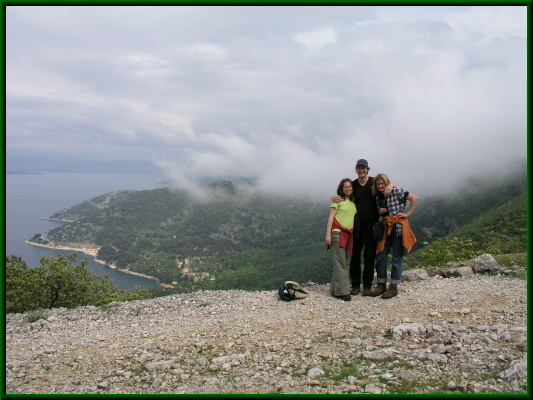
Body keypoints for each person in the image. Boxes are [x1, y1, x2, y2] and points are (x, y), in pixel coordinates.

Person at [332, 159, 395, 296]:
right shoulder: (353, 185)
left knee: (369, 255)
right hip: (358, 223)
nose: (361, 170)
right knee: (355, 255)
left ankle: (367, 286)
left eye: (363, 168)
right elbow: (344, 195)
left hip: (372, 223)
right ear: (356, 169)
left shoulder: (373, 182)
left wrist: (392, 185)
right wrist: (335, 197)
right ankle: (355, 285)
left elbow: (386, 185)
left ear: (367, 169)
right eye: (359, 168)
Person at [371, 173, 418, 299]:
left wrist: (408, 214)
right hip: (385, 228)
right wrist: (379, 211)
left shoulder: (396, 191)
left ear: (387, 183)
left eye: (382, 183)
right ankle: (381, 284)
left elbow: (414, 198)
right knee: (380, 256)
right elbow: (380, 211)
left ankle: (393, 287)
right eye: (378, 184)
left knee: (396, 258)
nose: (380, 186)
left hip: (398, 228)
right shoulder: (378, 196)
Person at [325, 178, 356, 301]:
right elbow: (331, 217)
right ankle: (344, 292)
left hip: (348, 235)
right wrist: (328, 235)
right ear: (341, 189)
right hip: (337, 234)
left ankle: (334, 290)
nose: (348, 189)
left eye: (349, 186)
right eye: (345, 187)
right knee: (340, 263)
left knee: (343, 262)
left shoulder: (352, 202)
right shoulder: (337, 201)